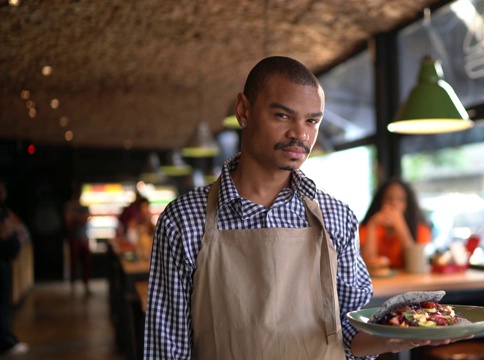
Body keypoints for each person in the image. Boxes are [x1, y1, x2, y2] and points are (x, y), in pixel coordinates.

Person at [144, 56, 467, 360]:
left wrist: (406, 336)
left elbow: (349, 333)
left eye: (312, 120)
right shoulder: (184, 219)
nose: (300, 133)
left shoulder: (336, 216)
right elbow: (167, 346)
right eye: (282, 115)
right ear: (244, 109)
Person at [359, 178, 432, 270]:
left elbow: (417, 265)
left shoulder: (421, 229)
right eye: (388, 198)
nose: (394, 203)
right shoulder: (367, 227)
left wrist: (400, 225)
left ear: (408, 204)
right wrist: (372, 225)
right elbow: (367, 265)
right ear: (380, 202)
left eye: (400, 199)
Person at [0, 181, 29, 356]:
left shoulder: (4, 210)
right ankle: (6, 342)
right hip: (1, 262)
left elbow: (16, 229)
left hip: (5, 261)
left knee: (4, 304)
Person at [63, 185, 92, 295]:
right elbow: (68, 221)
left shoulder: (81, 207)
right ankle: (73, 286)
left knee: (86, 263)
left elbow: (84, 219)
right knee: (73, 262)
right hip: (74, 238)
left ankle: (86, 285)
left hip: (83, 238)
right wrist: (80, 218)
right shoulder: (69, 206)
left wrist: (75, 218)